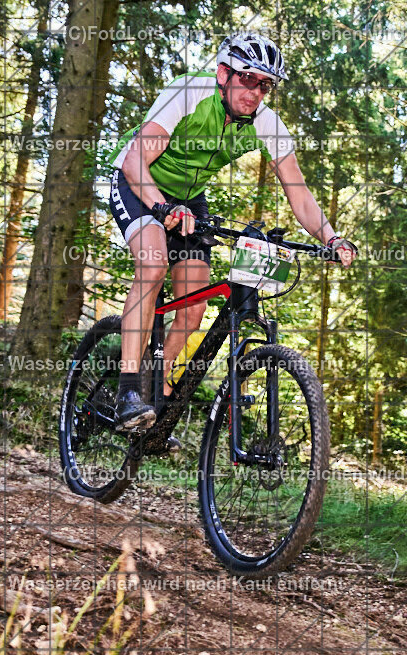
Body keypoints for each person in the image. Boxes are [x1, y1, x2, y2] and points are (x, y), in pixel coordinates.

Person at [106, 32, 357, 432]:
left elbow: (299, 192)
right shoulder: (189, 92)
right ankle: (128, 390)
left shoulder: (265, 123)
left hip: (188, 199)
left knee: (194, 305)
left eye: (265, 85)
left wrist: (331, 237)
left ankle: (158, 388)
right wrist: (160, 206)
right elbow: (137, 159)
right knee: (152, 265)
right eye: (248, 80)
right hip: (138, 181)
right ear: (224, 74)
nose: (255, 92)